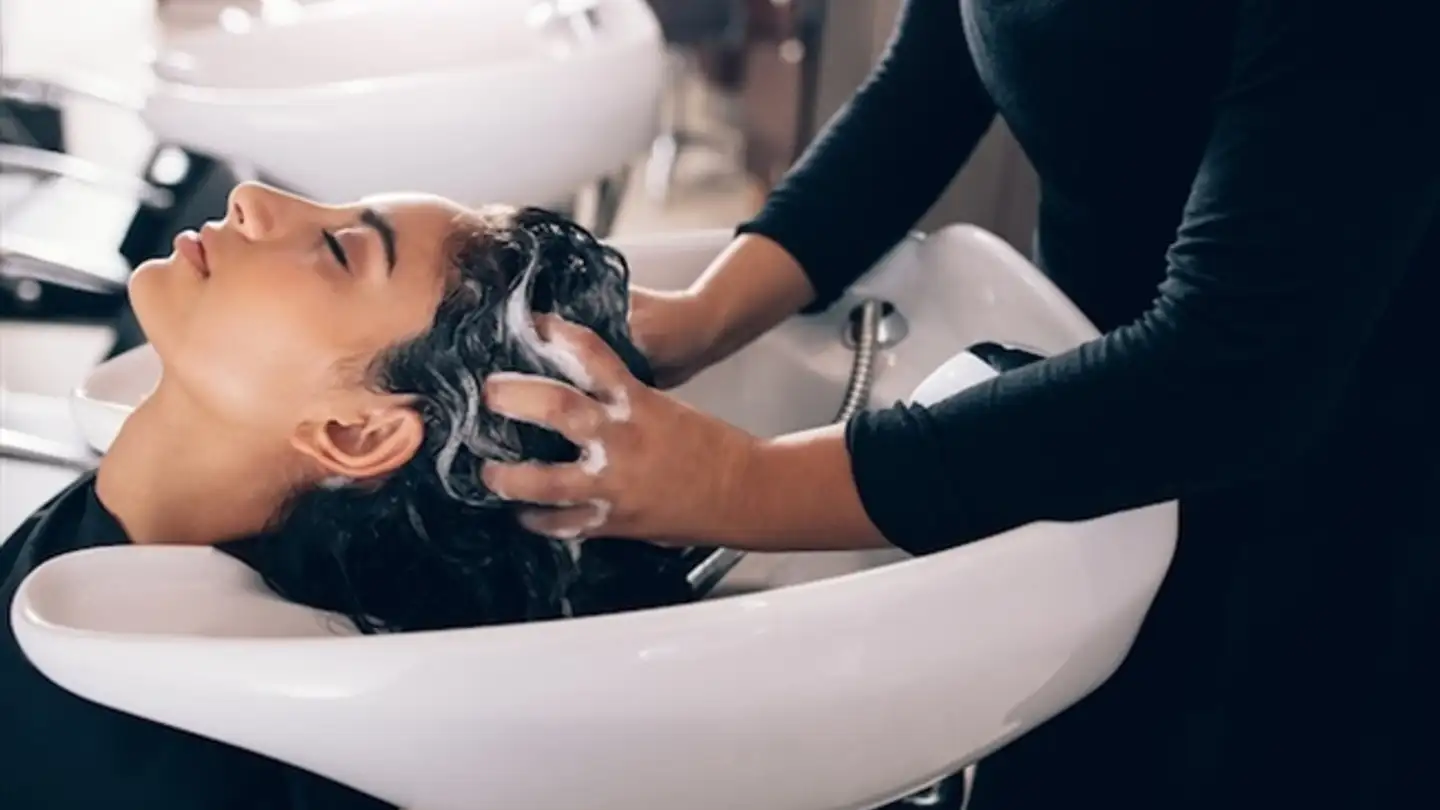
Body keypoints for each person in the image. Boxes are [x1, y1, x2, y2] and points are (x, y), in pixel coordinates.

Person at [479, 1, 1440, 808]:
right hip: (1078, 418)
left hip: (1326, 487)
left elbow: (1233, 375)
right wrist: (706, 314)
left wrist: (740, 482)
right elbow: (931, 80)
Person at [0, 183, 693, 808]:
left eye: (338, 250)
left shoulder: (172, 763)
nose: (251, 198)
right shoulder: (113, 562)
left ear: (358, 435)